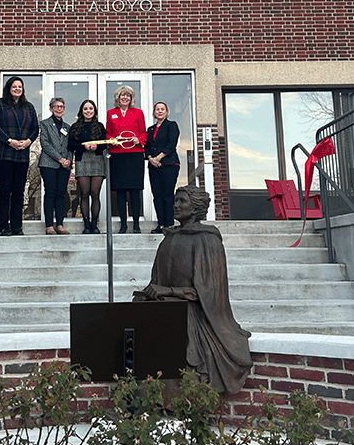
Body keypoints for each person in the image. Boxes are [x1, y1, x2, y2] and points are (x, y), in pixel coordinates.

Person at [133, 185, 252, 394]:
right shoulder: (168, 239)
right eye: (175, 200)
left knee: (171, 324)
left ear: (196, 208)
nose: (176, 205)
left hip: (195, 312)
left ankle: (174, 400)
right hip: (166, 306)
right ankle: (139, 396)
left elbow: (210, 293)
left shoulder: (207, 240)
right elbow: (156, 280)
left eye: (181, 201)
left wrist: (169, 292)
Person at [0, 76, 39, 236]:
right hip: (3, 154)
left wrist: (28, 142)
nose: (17, 89)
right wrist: (9, 141)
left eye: (20, 86)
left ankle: (17, 226)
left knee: (18, 191)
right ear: (9, 88)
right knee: (5, 189)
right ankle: (3, 226)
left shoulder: (29, 107)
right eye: (14, 86)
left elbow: (35, 128)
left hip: (22, 154)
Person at [106, 85, 147, 233]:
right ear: (118, 98)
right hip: (118, 154)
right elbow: (108, 133)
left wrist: (139, 139)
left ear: (132, 98)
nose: (125, 98)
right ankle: (123, 224)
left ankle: (136, 224)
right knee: (120, 191)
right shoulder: (111, 113)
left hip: (134, 154)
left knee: (135, 191)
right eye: (122, 95)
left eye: (128, 95)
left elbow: (143, 132)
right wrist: (112, 140)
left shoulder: (138, 113)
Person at [68, 99, 107, 234]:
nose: (88, 111)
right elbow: (71, 145)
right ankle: (86, 224)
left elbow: (106, 143)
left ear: (94, 111)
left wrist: (97, 146)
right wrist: (83, 146)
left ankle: (94, 224)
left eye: (91, 108)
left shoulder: (100, 126)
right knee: (84, 194)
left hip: (97, 160)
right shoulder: (75, 126)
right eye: (85, 109)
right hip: (82, 160)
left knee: (95, 193)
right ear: (81, 111)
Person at [38, 97, 73, 235]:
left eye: (62, 107)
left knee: (61, 194)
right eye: (57, 106)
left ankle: (59, 224)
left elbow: (70, 146)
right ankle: (49, 226)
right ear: (51, 108)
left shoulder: (67, 127)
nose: (60, 109)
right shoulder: (45, 124)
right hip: (49, 164)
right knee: (50, 193)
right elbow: (45, 144)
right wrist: (60, 159)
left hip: (65, 166)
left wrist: (69, 160)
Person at [145, 102, 180, 234]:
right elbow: (147, 146)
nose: (160, 111)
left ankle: (169, 225)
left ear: (166, 112)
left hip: (169, 165)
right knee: (157, 195)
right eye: (157, 109)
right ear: (154, 113)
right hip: (153, 166)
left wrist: (158, 158)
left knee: (167, 195)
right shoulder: (150, 130)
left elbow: (171, 144)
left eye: (162, 109)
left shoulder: (172, 126)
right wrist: (151, 158)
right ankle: (161, 225)